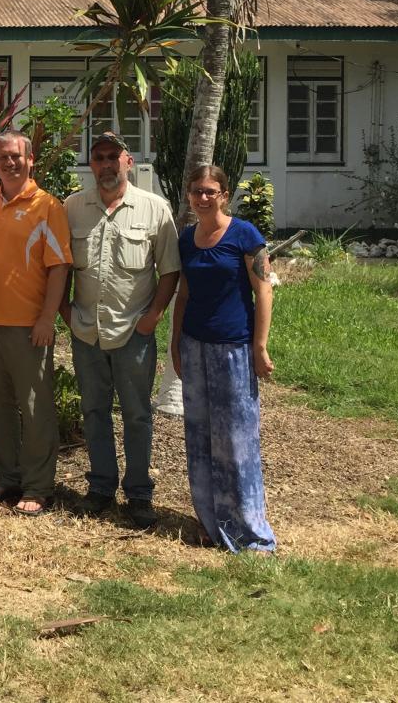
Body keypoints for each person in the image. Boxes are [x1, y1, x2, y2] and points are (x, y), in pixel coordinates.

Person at [62, 130, 179, 530]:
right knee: (94, 412)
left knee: (137, 415)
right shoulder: (73, 209)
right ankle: (100, 487)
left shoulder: (154, 209)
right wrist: (65, 312)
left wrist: (155, 314)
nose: (107, 164)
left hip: (133, 334)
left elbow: (169, 270)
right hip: (86, 332)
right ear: (91, 164)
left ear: (128, 161)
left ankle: (139, 494)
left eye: (115, 156)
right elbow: (59, 266)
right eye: (99, 157)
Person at [170, 164, 277, 553]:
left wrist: (259, 346)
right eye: (196, 190)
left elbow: (264, 290)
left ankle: (250, 529)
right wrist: (176, 341)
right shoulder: (186, 238)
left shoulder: (244, 234)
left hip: (234, 348)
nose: (202, 197)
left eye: (210, 191)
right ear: (188, 194)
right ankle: (211, 521)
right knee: (199, 436)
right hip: (195, 346)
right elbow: (183, 295)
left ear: (225, 194)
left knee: (236, 440)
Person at [0, 130, 72, 516]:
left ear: (31, 160)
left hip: (29, 327)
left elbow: (59, 266)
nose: (9, 163)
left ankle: (38, 485)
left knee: (35, 410)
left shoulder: (48, 207)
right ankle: (8, 477)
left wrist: (47, 317)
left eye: (15, 156)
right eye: (1, 158)